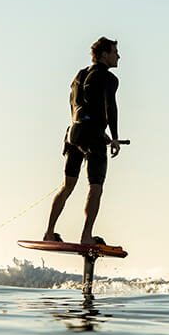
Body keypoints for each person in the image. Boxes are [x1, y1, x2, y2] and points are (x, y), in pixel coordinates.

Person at [44, 37, 124, 245]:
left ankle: (49, 232)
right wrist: (114, 136)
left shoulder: (79, 75)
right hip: (92, 136)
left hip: (73, 132)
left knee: (67, 185)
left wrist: (92, 127)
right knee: (95, 187)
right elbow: (111, 106)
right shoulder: (109, 78)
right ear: (104, 54)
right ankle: (86, 236)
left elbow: (77, 105)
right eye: (115, 52)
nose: (118, 56)